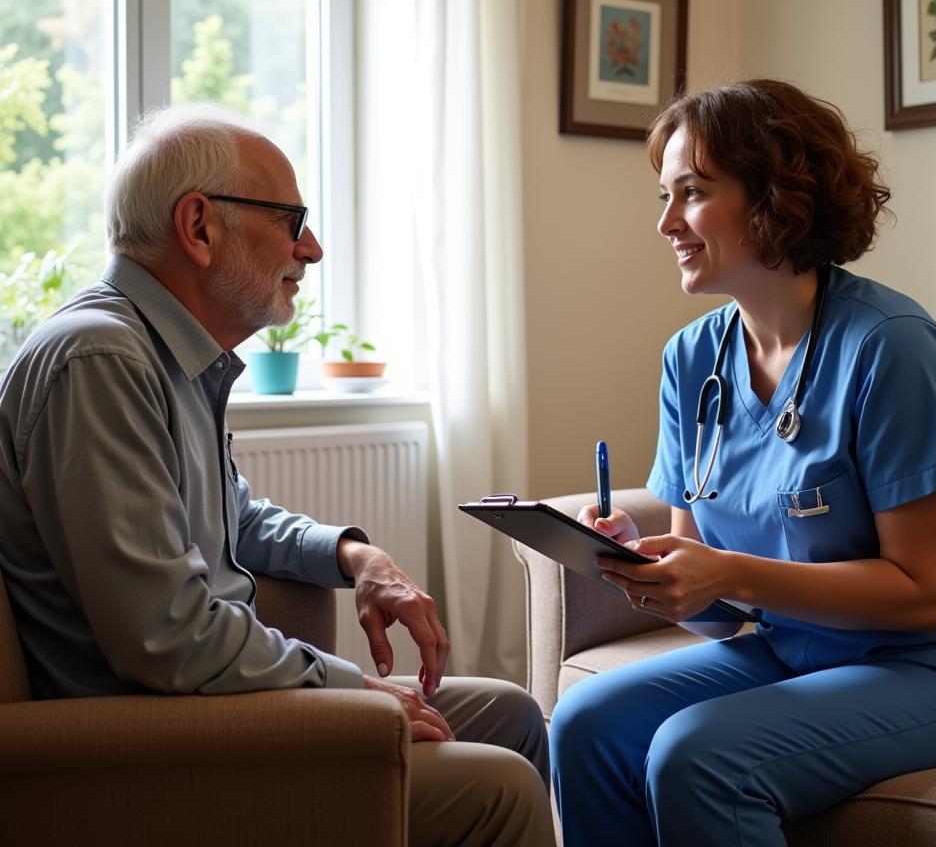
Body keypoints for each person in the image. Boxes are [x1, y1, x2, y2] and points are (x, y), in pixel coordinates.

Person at [0, 104, 555, 847]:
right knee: (499, 787)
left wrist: (354, 555)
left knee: (512, 713)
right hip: (158, 742)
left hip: (209, 709)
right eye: (292, 220)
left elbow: (236, 517)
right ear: (199, 227)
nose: (314, 248)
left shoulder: (166, 358)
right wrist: (353, 688)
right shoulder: (102, 361)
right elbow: (166, 638)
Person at [549, 79, 936, 846]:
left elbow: (924, 595)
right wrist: (653, 574)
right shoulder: (692, 358)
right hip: (796, 651)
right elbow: (708, 605)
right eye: (663, 195)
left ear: (775, 197)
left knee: (697, 756)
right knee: (585, 723)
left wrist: (727, 574)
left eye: (692, 193)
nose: (666, 222)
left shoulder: (890, 347)